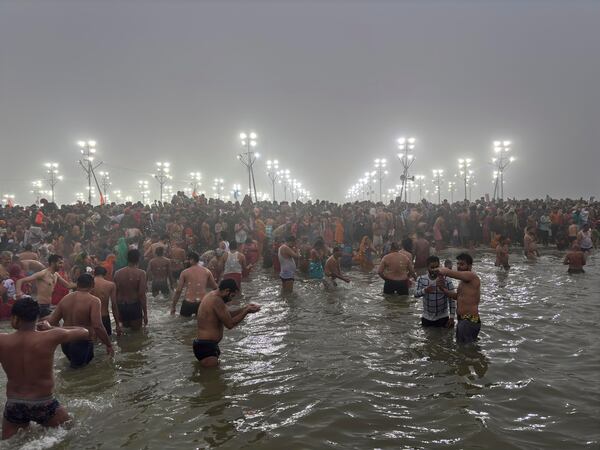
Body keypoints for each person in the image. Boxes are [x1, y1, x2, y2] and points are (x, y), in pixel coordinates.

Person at [0, 297, 89, 440]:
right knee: (72, 430)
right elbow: (84, 331)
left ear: (15, 318)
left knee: (9, 443)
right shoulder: (50, 336)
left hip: (14, 404)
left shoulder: (2, 340)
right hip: (43, 403)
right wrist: (52, 328)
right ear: (37, 317)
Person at [47, 274, 113, 368]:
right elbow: (97, 326)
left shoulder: (65, 298)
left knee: (74, 369)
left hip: (65, 342)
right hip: (81, 342)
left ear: (77, 284)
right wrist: (108, 344)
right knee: (81, 373)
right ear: (92, 285)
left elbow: (52, 321)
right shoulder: (94, 301)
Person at [194, 279, 260, 367]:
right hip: (207, 347)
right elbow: (230, 324)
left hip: (204, 346)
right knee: (212, 379)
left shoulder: (212, 295)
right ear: (227, 291)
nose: (230, 299)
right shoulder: (217, 300)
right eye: (231, 296)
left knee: (208, 378)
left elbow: (228, 315)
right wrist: (246, 311)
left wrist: (245, 308)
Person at [438, 253, 481, 344]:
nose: (459, 266)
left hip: (468, 320)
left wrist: (442, 269)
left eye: (462, 264)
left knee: (464, 350)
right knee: (465, 349)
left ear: (469, 266)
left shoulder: (471, 276)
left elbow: (451, 273)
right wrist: (443, 290)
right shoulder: (463, 282)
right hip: (464, 320)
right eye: (458, 264)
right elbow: (458, 297)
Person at [171, 252, 218, 317]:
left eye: (187, 259)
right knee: (200, 325)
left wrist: (173, 306)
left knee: (183, 325)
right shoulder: (207, 271)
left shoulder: (184, 272)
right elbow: (215, 288)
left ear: (192, 260)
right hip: (202, 303)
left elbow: (178, 290)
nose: (185, 262)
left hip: (188, 303)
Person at [415, 256, 456, 327]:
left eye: (437, 267)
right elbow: (415, 294)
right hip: (426, 317)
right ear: (427, 267)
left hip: (443, 317)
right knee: (428, 337)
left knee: (445, 337)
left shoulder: (446, 280)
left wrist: (452, 317)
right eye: (432, 267)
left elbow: (452, 299)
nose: (435, 270)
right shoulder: (421, 279)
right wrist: (425, 290)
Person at [113, 249, 147, 330]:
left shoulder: (117, 273)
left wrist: (116, 311)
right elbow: (142, 294)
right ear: (138, 259)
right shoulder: (141, 273)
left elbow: (115, 294)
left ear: (127, 258)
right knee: (137, 335)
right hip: (134, 306)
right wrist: (145, 314)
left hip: (121, 306)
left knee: (125, 333)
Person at [92, 266, 122, 336]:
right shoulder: (110, 285)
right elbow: (114, 305)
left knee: (92, 343)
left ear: (94, 273)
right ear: (105, 274)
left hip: (90, 318)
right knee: (106, 342)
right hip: (104, 317)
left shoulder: (87, 284)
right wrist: (117, 324)